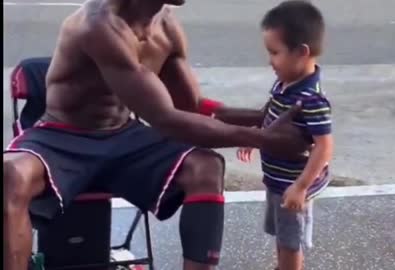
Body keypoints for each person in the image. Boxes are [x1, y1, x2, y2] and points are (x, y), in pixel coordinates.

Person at [2, 0, 309, 269]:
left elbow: (191, 106)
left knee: (206, 166)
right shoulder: (98, 25)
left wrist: (268, 117)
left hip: (123, 135)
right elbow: (167, 120)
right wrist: (266, 139)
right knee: (11, 175)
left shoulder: (167, 27)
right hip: (61, 136)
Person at [236, 1, 333, 269]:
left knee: (291, 241)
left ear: (301, 52)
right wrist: (258, 136)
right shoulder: (285, 82)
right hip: (278, 181)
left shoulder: (311, 99)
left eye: (275, 52)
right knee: (281, 234)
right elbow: (273, 116)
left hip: (292, 184)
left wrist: (301, 187)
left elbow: (324, 147)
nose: (270, 60)